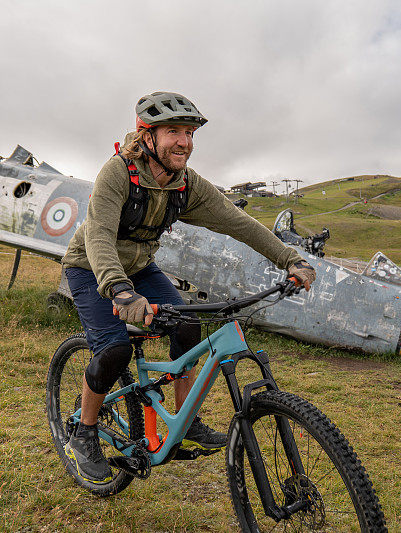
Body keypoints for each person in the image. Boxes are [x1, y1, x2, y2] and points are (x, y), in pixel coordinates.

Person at [60, 91, 316, 484]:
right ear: (147, 137)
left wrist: (288, 258)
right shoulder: (117, 173)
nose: (185, 141)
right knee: (114, 350)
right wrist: (120, 291)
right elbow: (98, 239)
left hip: (141, 267)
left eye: (190, 133)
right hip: (92, 268)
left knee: (187, 325)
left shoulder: (186, 184)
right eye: (174, 132)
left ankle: (186, 421)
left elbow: (237, 222)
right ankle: (85, 431)